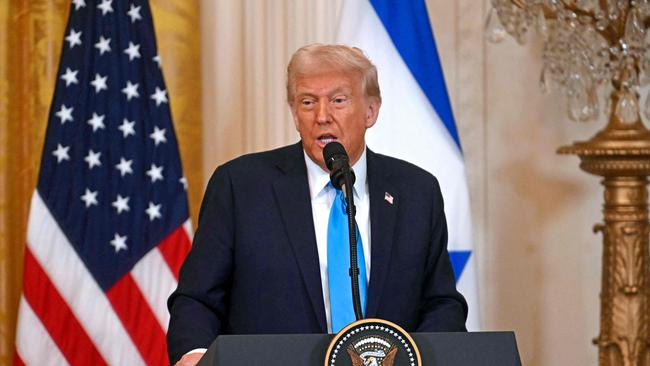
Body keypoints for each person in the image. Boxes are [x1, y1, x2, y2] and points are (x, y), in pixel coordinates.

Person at [167, 44, 468, 366]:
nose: (322, 116)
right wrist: (195, 355)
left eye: (338, 100)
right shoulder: (240, 186)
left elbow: (441, 303)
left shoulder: (416, 191)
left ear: (371, 111)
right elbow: (197, 298)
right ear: (295, 114)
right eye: (308, 102)